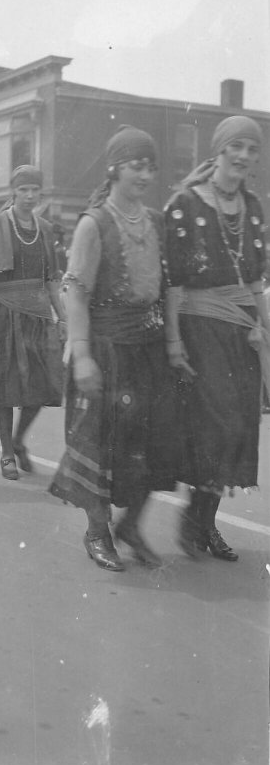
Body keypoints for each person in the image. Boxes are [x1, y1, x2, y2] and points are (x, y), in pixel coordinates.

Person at [49, 126, 179, 571]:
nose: (143, 175)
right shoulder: (93, 223)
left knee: (153, 444)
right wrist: (82, 354)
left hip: (147, 350)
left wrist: (173, 344)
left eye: (149, 167)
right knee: (99, 446)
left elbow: (167, 290)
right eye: (134, 165)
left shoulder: (157, 222)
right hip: (105, 350)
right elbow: (76, 293)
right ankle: (97, 531)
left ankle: (131, 526)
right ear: (115, 168)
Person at [164, 115, 270, 561]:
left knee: (240, 426)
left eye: (252, 149)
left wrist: (265, 329)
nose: (244, 156)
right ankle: (193, 518)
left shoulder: (254, 206)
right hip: (200, 325)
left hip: (242, 330)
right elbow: (172, 280)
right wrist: (173, 340)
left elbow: (258, 280)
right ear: (220, 150)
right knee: (215, 426)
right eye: (236, 147)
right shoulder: (185, 204)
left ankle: (206, 524)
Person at [0, 165, 66, 480]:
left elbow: (52, 280)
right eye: (23, 189)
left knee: (44, 383)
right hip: (2, 313)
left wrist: (63, 318)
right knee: (4, 385)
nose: (29, 196)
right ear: (13, 191)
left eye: (34, 190)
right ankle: (6, 453)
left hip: (37, 316)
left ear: (41, 192)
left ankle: (18, 438)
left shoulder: (47, 229)